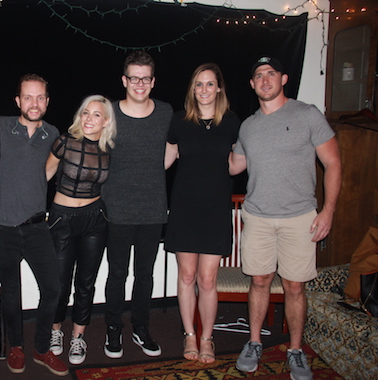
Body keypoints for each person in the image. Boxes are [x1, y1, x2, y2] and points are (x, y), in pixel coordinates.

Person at [229, 56, 342, 380]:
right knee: (259, 281)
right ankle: (254, 343)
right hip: (258, 217)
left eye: (271, 74)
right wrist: (198, 145)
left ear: (283, 79)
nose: (265, 80)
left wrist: (328, 211)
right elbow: (232, 165)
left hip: (299, 218)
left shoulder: (307, 114)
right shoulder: (248, 126)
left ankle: (295, 350)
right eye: (259, 75)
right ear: (252, 84)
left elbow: (333, 164)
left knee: (294, 287)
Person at [0, 74, 68, 376]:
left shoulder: (52, 133)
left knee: (53, 288)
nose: (34, 103)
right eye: (28, 97)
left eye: (40, 97)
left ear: (47, 101)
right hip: (3, 226)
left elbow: (47, 171)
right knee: (11, 292)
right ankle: (16, 346)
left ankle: (41, 349)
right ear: (18, 101)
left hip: (37, 226)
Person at [164, 63, 240, 364]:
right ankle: (189, 335)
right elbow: (165, 161)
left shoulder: (233, 122)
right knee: (187, 275)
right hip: (184, 207)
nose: (205, 90)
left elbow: (236, 165)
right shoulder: (179, 121)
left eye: (210, 84)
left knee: (208, 280)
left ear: (219, 88)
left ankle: (207, 337)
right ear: (192, 90)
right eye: (199, 84)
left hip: (215, 208)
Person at [102, 50, 173, 359]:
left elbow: (171, 153)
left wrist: (153, 173)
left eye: (146, 78)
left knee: (145, 274)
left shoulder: (167, 113)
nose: (140, 84)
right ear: (124, 80)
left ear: (153, 81)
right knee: (117, 274)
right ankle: (113, 328)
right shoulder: (109, 113)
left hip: (153, 209)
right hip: (116, 210)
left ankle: (140, 328)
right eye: (134, 78)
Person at [45, 95, 117, 365]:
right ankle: (56, 332)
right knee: (60, 282)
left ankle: (78, 336)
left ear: (106, 121)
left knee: (86, 282)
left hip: (95, 219)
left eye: (96, 114)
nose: (89, 119)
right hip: (62, 218)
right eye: (85, 112)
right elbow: (44, 177)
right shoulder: (65, 142)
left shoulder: (109, 149)